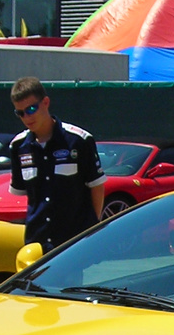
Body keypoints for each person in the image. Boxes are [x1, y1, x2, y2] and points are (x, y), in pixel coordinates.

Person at [6, 77, 104, 250]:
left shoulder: (78, 140)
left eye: (31, 109)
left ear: (46, 102)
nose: (27, 117)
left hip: (72, 241)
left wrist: (91, 228)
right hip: (37, 242)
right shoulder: (18, 146)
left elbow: (96, 186)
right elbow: (25, 196)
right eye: (20, 113)